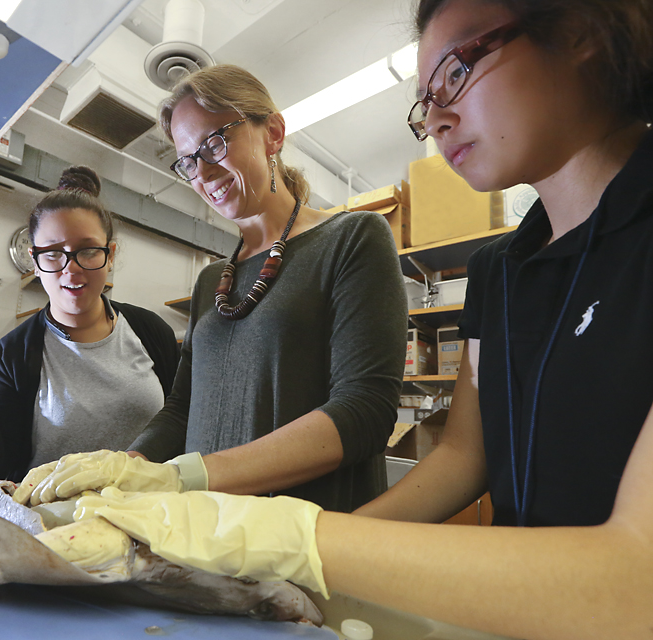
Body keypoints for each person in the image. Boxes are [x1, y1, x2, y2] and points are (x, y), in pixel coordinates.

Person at [59, 1, 653, 638]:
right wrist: (139, 473)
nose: (437, 122)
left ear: (581, 29)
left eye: (455, 72)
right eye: (424, 103)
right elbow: (462, 457)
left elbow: (634, 579)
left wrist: (291, 536)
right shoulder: (498, 272)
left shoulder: (351, 240)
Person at [12, 64, 409, 512]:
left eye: (214, 143)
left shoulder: (352, 239)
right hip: (206, 534)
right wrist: (124, 467)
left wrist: (186, 476)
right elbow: (182, 408)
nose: (202, 171)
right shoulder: (211, 281)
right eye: (187, 160)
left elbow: (365, 412)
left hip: (304, 540)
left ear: (273, 133)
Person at [0, 166, 180, 484]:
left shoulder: (150, 332)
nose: (71, 268)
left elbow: (182, 422)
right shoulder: (14, 354)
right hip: (52, 525)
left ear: (110, 255)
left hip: (149, 518)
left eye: (89, 250)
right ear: (34, 261)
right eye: (52, 254)